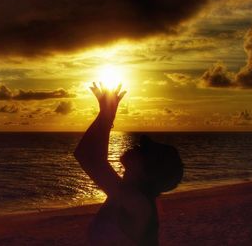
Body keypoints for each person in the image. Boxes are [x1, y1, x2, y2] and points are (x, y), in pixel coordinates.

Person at [74, 82, 183, 245]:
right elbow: (87, 155)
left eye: (143, 150)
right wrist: (106, 114)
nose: (136, 146)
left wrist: (106, 114)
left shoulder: (137, 203)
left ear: (147, 170)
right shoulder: (126, 193)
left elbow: (87, 157)